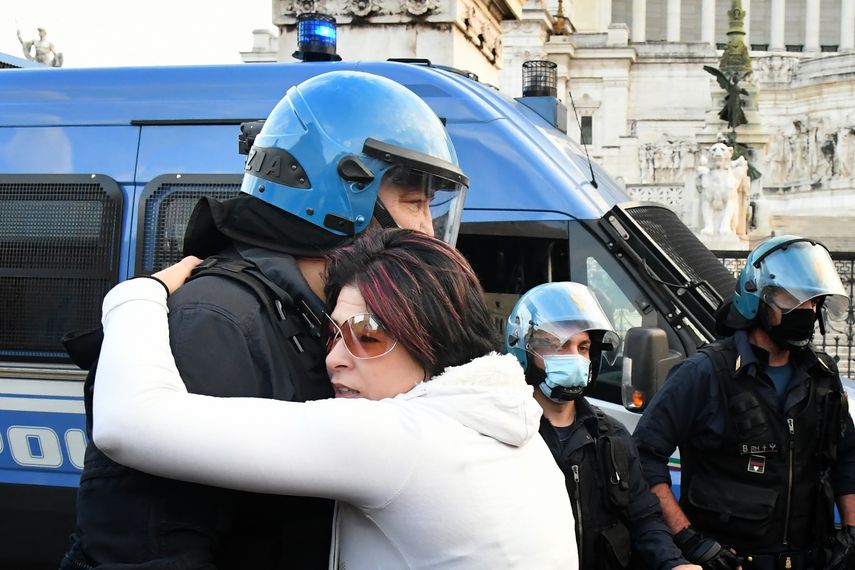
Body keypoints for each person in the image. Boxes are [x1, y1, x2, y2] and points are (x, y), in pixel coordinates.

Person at [61, 71, 469, 569]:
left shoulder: (318, 314)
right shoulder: (216, 322)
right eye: (415, 203)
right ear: (346, 191)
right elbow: (147, 549)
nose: (428, 229)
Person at [91, 229, 578, 569]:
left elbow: (129, 423)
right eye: (332, 333)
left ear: (434, 338)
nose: (335, 360)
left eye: (367, 334)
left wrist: (136, 295)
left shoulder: (398, 440)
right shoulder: (513, 427)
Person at [633, 235, 855, 570]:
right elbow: (644, 456)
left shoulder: (822, 376)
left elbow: (847, 460)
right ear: (757, 299)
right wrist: (688, 538)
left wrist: (851, 533)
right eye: (791, 299)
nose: (805, 311)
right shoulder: (704, 373)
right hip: (728, 562)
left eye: (812, 302)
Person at [505, 282, 701, 570]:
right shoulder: (505, 435)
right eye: (558, 344)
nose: (574, 356)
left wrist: (673, 563)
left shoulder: (612, 436)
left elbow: (644, 519)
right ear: (524, 349)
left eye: (582, 347)